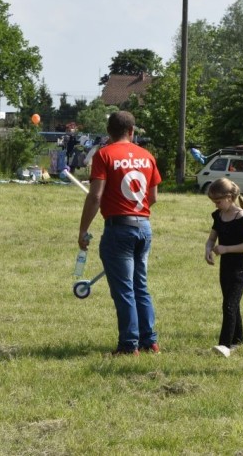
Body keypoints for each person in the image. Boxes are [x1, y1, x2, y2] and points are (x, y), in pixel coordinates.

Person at [77, 111, 162, 355]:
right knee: (140, 286)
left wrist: (83, 229)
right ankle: (150, 341)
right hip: (144, 226)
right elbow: (153, 197)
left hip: (119, 228)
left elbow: (95, 196)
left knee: (124, 290)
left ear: (109, 131)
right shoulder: (147, 156)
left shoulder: (104, 155)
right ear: (132, 131)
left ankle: (128, 345)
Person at [204, 178, 243, 358]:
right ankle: (238, 340)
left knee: (229, 305)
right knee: (231, 302)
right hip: (226, 265)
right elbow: (212, 238)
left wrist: (226, 249)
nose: (216, 205)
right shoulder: (218, 216)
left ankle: (224, 345)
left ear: (229, 197)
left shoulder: (242, 218)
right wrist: (208, 249)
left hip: (241, 266)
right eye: (214, 202)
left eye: (218, 201)